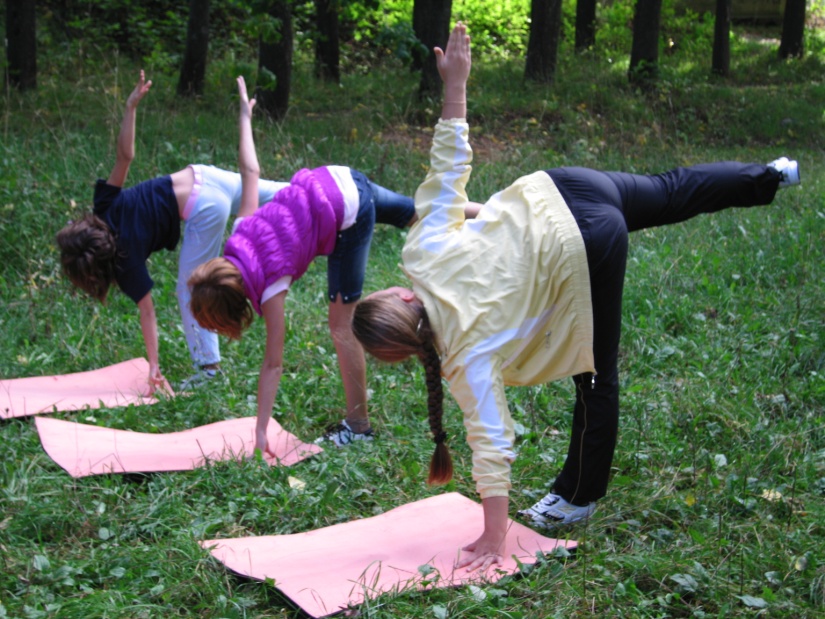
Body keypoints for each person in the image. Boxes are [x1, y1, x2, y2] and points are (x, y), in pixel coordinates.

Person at [350, 22, 800, 572]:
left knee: (596, 378)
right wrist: (456, 84)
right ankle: (771, 174)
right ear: (400, 295)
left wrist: (494, 536)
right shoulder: (421, 250)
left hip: (586, 243)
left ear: (404, 352)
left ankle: (578, 498)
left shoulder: (465, 360)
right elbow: (448, 164)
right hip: (560, 186)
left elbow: (491, 444)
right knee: (672, 187)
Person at [188, 75, 431, 455]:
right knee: (421, 214)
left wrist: (260, 430)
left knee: (341, 324)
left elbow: (273, 365)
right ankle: (490, 215)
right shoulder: (240, 234)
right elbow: (249, 171)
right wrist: (245, 120)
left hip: (346, 212)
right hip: (336, 177)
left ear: (234, 310)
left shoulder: (269, 290)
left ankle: (359, 426)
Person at [56, 71, 297, 391]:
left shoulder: (123, 263)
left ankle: (208, 368)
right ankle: (339, 190)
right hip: (203, 175)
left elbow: (148, 314)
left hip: (205, 208)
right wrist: (130, 108)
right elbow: (125, 155)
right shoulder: (103, 206)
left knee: (191, 287)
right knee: (287, 191)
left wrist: (154, 364)